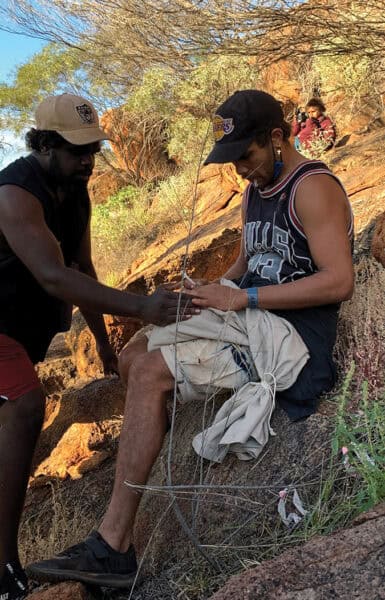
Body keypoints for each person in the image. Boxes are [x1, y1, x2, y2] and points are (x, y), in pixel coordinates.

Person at [27, 90, 354, 589]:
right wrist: (212, 289)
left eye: (246, 155)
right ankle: (154, 436)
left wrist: (241, 300)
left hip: (291, 335)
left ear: (277, 137)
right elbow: (246, 264)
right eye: (233, 160)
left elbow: (338, 282)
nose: (241, 169)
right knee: (137, 351)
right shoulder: (254, 191)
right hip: (249, 313)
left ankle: (113, 546)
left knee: (155, 370)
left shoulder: (312, 187)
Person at [0, 93, 198, 600]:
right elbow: (52, 276)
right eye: (76, 150)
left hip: (21, 333)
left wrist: (106, 343)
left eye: (93, 150)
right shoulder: (14, 193)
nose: (88, 161)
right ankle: (4, 568)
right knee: (26, 408)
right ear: (44, 144)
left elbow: (82, 267)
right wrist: (143, 308)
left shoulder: (75, 189)